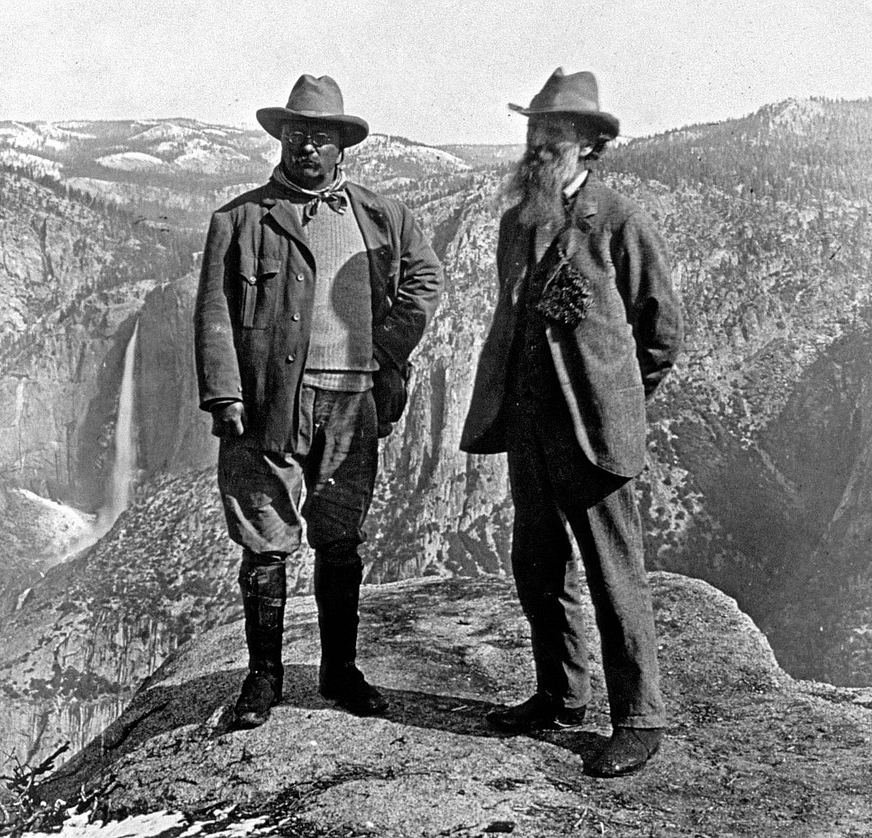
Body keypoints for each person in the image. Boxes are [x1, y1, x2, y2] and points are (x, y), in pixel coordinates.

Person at [194, 74, 443, 729]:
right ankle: (263, 678)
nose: (308, 147)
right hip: (266, 400)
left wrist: (386, 348)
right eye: (297, 135)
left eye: (322, 138)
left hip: (353, 400)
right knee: (264, 541)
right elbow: (215, 309)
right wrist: (224, 393)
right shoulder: (240, 220)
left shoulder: (382, 216)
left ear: (343, 148)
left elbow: (425, 280)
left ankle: (340, 672)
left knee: (340, 540)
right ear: (281, 139)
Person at [460, 68, 684, 777]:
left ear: (589, 146)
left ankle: (640, 719)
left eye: (552, 135)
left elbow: (661, 332)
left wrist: (616, 397)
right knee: (536, 564)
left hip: (593, 432)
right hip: (528, 426)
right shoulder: (515, 221)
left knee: (614, 573)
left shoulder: (619, 220)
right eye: (532, 132)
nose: (537, 146)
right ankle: (560, 695)